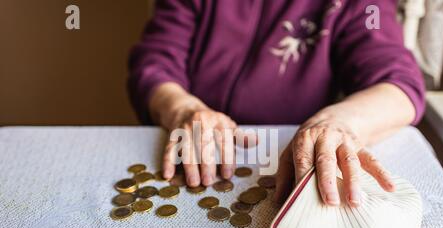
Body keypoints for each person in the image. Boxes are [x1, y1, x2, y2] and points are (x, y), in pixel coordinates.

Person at [128, 0, 425, 207]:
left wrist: (336, 122)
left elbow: (399, 86)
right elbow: (154, 64)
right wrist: (184, 109)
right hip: (193, 147)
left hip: (288, 158)